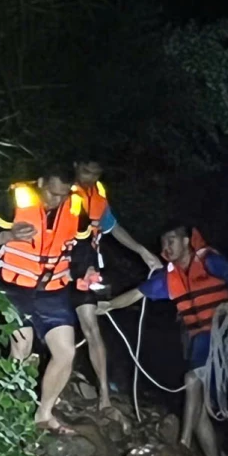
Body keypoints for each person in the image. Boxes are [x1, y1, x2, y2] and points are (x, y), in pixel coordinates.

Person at [93, 225, 228, 456]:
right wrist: (108, 306)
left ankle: (184, 444)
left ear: (187, 241)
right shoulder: (170, 276)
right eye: (163, 242)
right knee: (197, 407)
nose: (165, 247)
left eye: (171, 241)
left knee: (192, 379)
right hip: (197, 339)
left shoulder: (210, 262)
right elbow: (137, 294)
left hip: (223, 336)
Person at [0, 173, 87, 434]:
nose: (57, 199)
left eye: (63, 193)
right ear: (40, 183)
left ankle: (44, 414)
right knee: (22, 345)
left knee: (66, 352)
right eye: (53, 193)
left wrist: (87, 270)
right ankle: (8, 410)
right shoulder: (15, 198)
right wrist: (8, 235)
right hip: (13, 286)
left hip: (52, 291)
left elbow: (83, 247)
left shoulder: (75, 205)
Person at [68, 161, 164, 412]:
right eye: (87, 172)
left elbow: (113, 228)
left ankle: (104, 397)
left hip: (86, 269)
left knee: (92, 327)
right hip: (56, 267)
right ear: (76, 166)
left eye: (97, 174)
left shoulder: (98, 196)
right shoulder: (61, 189)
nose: (90, 178)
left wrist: (143, 252)